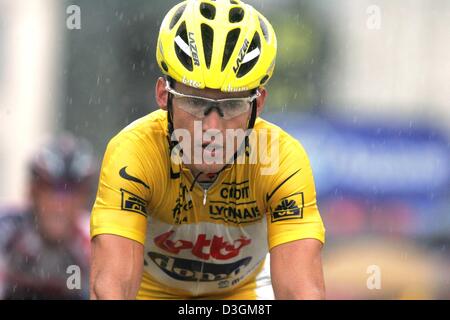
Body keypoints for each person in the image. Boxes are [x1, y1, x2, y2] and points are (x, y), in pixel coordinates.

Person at [90, 0, 326, 300]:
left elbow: (301, 291)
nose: (212, 129)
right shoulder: (134, 152)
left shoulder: (281, 160)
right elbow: (111, 287)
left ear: (259, 104)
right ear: (164, 95)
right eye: (195, 102)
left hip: (243, 297)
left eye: (232, 105)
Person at [0, 133, 96, 299]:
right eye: (52, 190)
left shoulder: (92, 241)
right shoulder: (6, 229)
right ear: (32, 192)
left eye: (72, 192)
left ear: (85, 199)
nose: (61, 205)